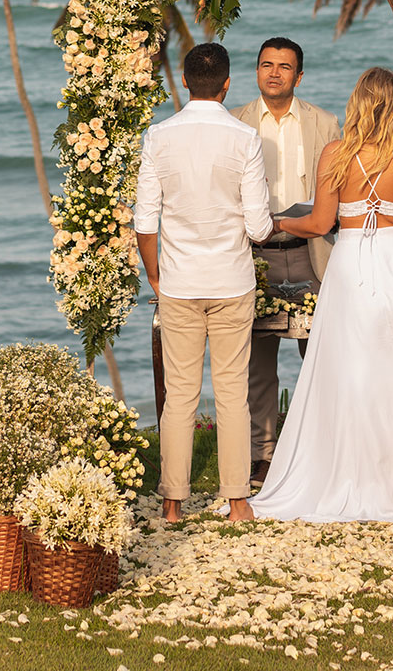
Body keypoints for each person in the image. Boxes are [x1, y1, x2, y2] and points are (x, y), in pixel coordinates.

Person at [249, 67, 393, 523]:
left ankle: (348, 474)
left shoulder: (334, 154)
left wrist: (278, 223)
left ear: (357, 102)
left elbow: (318, 224)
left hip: (352, 267)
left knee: (353, 373)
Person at [134, 42, 272, 523]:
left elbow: (145, 220)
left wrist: (155, 275)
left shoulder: (158, 136)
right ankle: (238, 502)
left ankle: (172, 502)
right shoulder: (245, 138)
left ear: (186, 81)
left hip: (177, 283)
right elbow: (258, 227)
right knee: (232, 391)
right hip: (232, 281)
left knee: (180, 393)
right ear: (228, 83)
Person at [231, 36, 340, 486]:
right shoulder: (235, 122)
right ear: (256, 71)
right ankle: (264, 456)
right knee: (257, 362)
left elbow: (337, 193)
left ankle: (323, 449)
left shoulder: (326, 123)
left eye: (284, 66)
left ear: (299, 75)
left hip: (313, 253)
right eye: (266, 64)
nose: (274, 72)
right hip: (254, 256)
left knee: (321, 355)